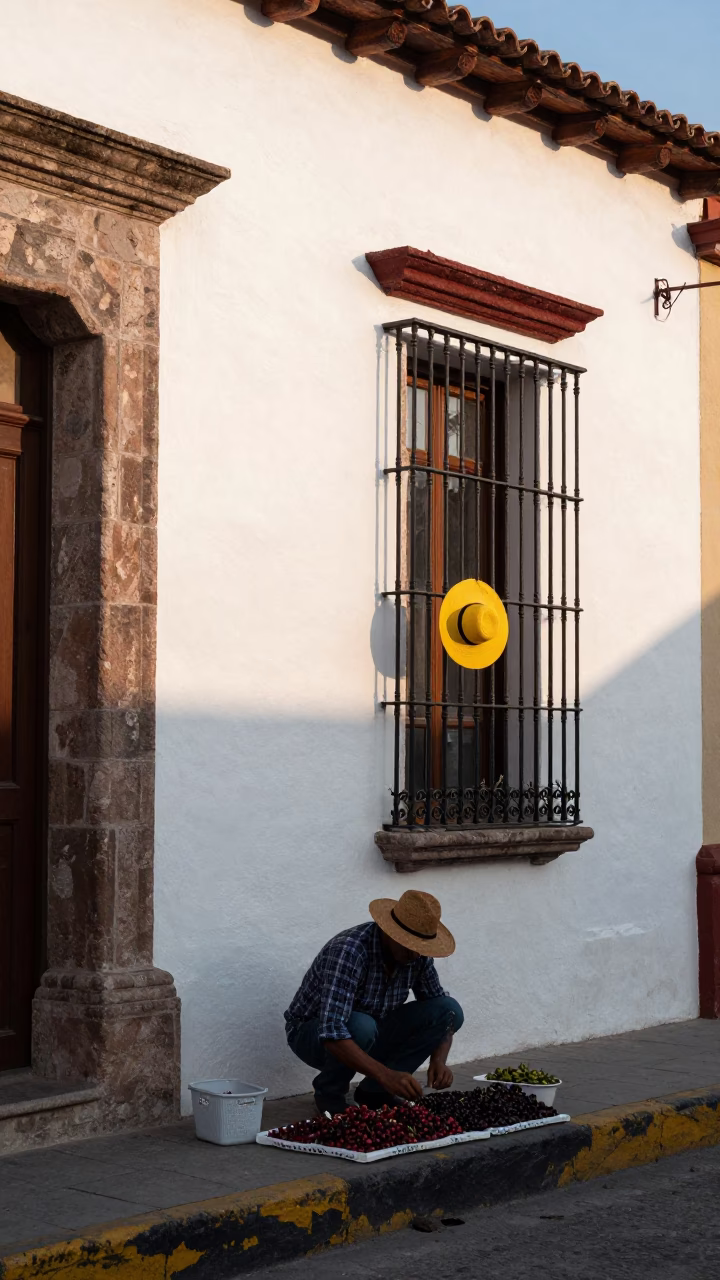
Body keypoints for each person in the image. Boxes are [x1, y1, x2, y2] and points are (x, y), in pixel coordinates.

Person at [284, 889, 463, 1115]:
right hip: (312, 1034)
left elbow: (442, 1010)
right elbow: (332, 1030)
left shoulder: (417, 956)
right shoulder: (350, 951)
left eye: (421, 948)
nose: (415, 956)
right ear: (390, 933)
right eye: (410, 946)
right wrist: (386, 1074)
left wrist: (439, 1059)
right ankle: (330, 1092)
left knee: (449, 1009)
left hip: (372, 1030)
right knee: (360, 1025)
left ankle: (375, 1092)